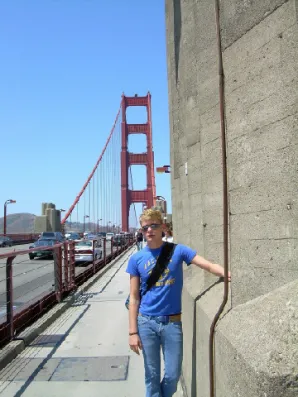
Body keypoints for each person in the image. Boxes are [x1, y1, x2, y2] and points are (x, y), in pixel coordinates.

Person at [126, 209, 231, 397]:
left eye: (154, 226)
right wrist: (132, 332)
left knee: (173, 375)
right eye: (145, 228)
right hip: (146, 322)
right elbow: (133, 297)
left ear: (163, 228)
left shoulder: (178, 251)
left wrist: (228, 273)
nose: (149, 230)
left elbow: (206, 264)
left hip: (172, 323)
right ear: (141, 232)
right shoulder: (136, 259)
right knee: (152, 375)